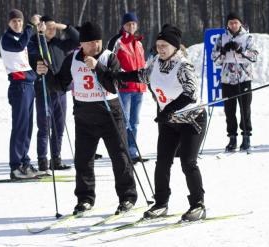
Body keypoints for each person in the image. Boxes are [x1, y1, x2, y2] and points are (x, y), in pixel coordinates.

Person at [106, 24, 207, 222]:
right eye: (158, 45)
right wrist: (118, 76)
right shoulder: (155, 63)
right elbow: (141, 76)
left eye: (165, 46)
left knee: (188, 162)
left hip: (191, 121)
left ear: (175, 47)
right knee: (162, 163)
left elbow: (191, 94)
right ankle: (161, 203)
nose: (160, 49)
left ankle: (198, 204)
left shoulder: (184, 65)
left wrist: (168, 109)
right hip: (169, 122)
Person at [36, 22, 137, 215]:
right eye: (90, 43)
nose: (95, 46)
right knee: (83, 160)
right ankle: (85, 199)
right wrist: (45, 73)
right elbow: (58, 84)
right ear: (81, 44)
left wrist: (97, 67)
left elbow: (113, 86)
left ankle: (127, 197)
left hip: (110, 115)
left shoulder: (109, 58)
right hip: (84, 116)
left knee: (120, 157)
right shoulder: (72, 59)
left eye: (98, 41)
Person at [28, 15, 80, 171]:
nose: (51, 30)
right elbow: (31, 56)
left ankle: (56, 159)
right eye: (47, 27)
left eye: (53, 28)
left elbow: (78, 39)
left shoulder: (60, 44)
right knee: (44, 126)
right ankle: (43, 160)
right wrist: (38, 31)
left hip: (61, 90)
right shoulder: (35, 43)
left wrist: (61, 26)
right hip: (43, 89)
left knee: (59, 126)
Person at [0, 9, 42, 179]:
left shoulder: (21, 37)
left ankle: (24, 161)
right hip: (19, 86)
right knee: (20, 127)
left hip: (28, 85)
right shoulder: (8, 39)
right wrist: (31, 26)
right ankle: (16, 165)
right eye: (14, 21)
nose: (17, 24)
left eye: (19, 21)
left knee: (27, 127)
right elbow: (19, 47)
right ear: (9, 23)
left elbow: (28, 51)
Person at [212, 12, 258, 152]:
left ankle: (246, 137)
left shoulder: (248, 37)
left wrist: (240, 50)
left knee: (245, 109)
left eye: (236, 22)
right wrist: (223, 52)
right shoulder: (222, 37)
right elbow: (214, 58)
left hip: (244, 79)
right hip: (227, 80)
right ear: (227, 24)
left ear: (240, 23)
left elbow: (254, 56)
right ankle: (232, 138)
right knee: (229, 111)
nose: (233, 25)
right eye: (230, 22)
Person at [107, 12, 148, 164]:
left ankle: (132, 151)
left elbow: (142, 65)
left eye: (134, 24)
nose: (131, 26)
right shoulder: (117, 41)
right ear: (123, 25)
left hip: (139, 87)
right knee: (124, 122)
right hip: (124, 87)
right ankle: (121, 152)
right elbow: (108, 60)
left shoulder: (139, 43)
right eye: (128, 24)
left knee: (134, 122)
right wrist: (116, 77)